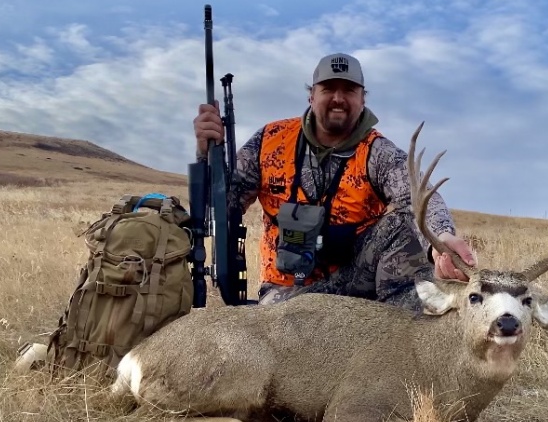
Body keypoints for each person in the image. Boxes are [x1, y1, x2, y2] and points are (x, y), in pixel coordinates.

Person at [194, 52, 475, 311]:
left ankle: (402, 325)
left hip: (354, 281)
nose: (338, 98)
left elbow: (416, 196)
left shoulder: (377, 152)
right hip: (285, 291)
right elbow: (223, 204)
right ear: (311, 96)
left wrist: (443, 237)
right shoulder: (270, 140)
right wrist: (207, 154)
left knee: (402, 224)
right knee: (287, 327)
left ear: (363, 98)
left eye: (349, 90)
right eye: (328, 89)